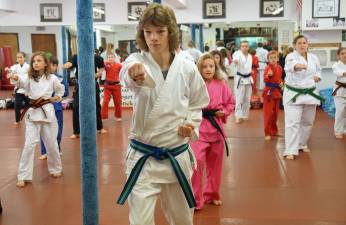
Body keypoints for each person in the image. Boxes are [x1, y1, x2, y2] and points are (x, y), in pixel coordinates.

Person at [117, 3, 209, 225]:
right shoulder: (136, 61)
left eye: (160, 31)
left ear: (171, 32)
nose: (153, 38)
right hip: (143, 158)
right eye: (148, 32)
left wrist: (190, 124)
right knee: (139, 221)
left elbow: (197, 102)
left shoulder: (187, 67)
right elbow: (127, 75)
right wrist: (134, 75)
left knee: (182, 219)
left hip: (176, 155)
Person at [8, 51, 64, 187]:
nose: (36, 63)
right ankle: (23, 175)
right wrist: (15, 77)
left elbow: (60, 90)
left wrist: (56, 97)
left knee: (51, 144)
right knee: (29, 145)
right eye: (34, 61)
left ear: (45, 63)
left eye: (39, 61)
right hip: (33, 113)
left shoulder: (52, 78)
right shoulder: (29, 78)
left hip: (47, 112)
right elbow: (20, 82)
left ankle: (56, 168)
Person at [190, 53, 234, 210]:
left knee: (215, 167)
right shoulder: (194, 84)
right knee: (197, 164)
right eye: (204, 66)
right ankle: (196, 200)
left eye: (211, 66)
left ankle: (212, 194)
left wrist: (225, 112)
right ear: (199, 68)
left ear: (215, 68)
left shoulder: (221, 84)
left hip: (216, 130)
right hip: (198, 130)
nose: (208, 69)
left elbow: (230, 103)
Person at [283, 35, 324, 160]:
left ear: (307, 44)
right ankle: (290, 149)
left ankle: (301, 144)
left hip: (310, 94)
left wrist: (318, 76)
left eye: (304, 43)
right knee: (292, 123)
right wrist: (298, 66)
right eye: (299, 43)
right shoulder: (291, 56)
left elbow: (318, 71)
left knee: (308, 122)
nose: (302, 45)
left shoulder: (313, 58)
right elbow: (290, 66)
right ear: (295, 45)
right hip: (294, 94)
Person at [64, 53, 107, 138]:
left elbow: (102, 67)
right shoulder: (76, 57)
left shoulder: (96, 57)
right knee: (76, 106)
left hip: (93, 83)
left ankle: (100, 127)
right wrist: (68, 65)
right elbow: (71, 64)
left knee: (96, 105)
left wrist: (98, 73)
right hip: (80, 84)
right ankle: (76, 132)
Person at [39, 56, 69, 160]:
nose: (47, 66)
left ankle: (57, 148)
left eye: (50, 64)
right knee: (44, 129)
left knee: (58, 130)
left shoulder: (60, 78)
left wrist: (56, 94)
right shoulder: (41, 78)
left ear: (55, 66)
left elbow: (66, 92)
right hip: (44, 108)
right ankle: (44, 151)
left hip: (57, 107)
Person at [262, 51, 283, 141]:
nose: (273, 59)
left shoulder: (279, 68)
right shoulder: (267, 68)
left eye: (275, 57)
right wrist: (269, 76)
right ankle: (267, 132)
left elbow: (279, 78)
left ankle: (274, 130)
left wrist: (282, 83)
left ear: (278, 59)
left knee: (275, 114)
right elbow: (265, 79)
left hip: (277, 92)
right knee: (268, 114)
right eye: (271, 58)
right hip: (269, 92)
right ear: (268, 60)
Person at [5, 52, 30, 124]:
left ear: (24, 58)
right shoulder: (15, 66)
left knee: (29, 105)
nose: (19, 59)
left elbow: (28, 77)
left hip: (27, 89)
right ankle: (18, 120)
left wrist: (15, 76)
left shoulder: (28, 67)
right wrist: (8, 71)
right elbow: (11, 71)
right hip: (19, 89)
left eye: (21, 57)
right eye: (17, 57)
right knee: (17, 104)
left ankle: (30, 118)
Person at [233, 40, 253, 123]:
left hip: (248, 78)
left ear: (248, 47)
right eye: (243, 46)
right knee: (239, 98)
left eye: (246, 46)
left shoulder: (250, 56)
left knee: (247, 98)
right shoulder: (237, 54)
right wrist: (236, 61)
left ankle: (244, 114)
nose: (245, 48)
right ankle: (238, 116)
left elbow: (249, 67)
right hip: (240, 78)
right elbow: (235, 59)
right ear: (240, 47)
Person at [101, 53, 122, 121]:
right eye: (109, 57)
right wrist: (106, 61)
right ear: (107, 58)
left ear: (114, 58)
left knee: (117, 102)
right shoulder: (106, 64)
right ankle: (104, 116)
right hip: (107, 86)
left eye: (112, 57)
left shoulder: (119, 65)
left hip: (116, 85)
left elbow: (124, 72)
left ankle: (118, 116)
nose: (110, 58)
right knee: (105, 101)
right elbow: (101, 64)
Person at [332, 47, 346, 139]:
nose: (345, 55)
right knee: (340, 111)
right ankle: (338, 130)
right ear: (338, 56)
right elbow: (338, 73)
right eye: (342, 53)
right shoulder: (336, 65)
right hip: (340, 91)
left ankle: (344, 129)